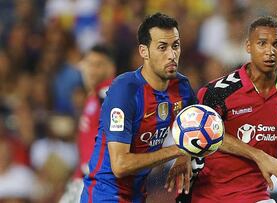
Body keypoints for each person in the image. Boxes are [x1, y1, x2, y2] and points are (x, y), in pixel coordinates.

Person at [177, 16, 277, 203]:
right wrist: (258, 155)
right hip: (209, 195)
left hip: (256, 195)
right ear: (248, 46)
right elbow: (202, 136)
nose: (270, 51)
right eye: (262, 43)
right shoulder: (218, 92)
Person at [80, 12, 195, 202]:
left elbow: (198, 128)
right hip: (104, 194)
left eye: (175, 46)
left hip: (137, 196)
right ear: (144, 51)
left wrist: (187, 156)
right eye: (162, 47)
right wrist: (179, 150)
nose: (172, 54)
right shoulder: (125, 91)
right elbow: (120, 165)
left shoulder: (181, 87)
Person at [59, 44, 116, 203]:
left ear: (110, 67)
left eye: (98, 65)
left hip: (99, 181)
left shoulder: (108, 91)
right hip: (85, 177)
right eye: (89, 64)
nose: (92, 69)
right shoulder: (93, 97)